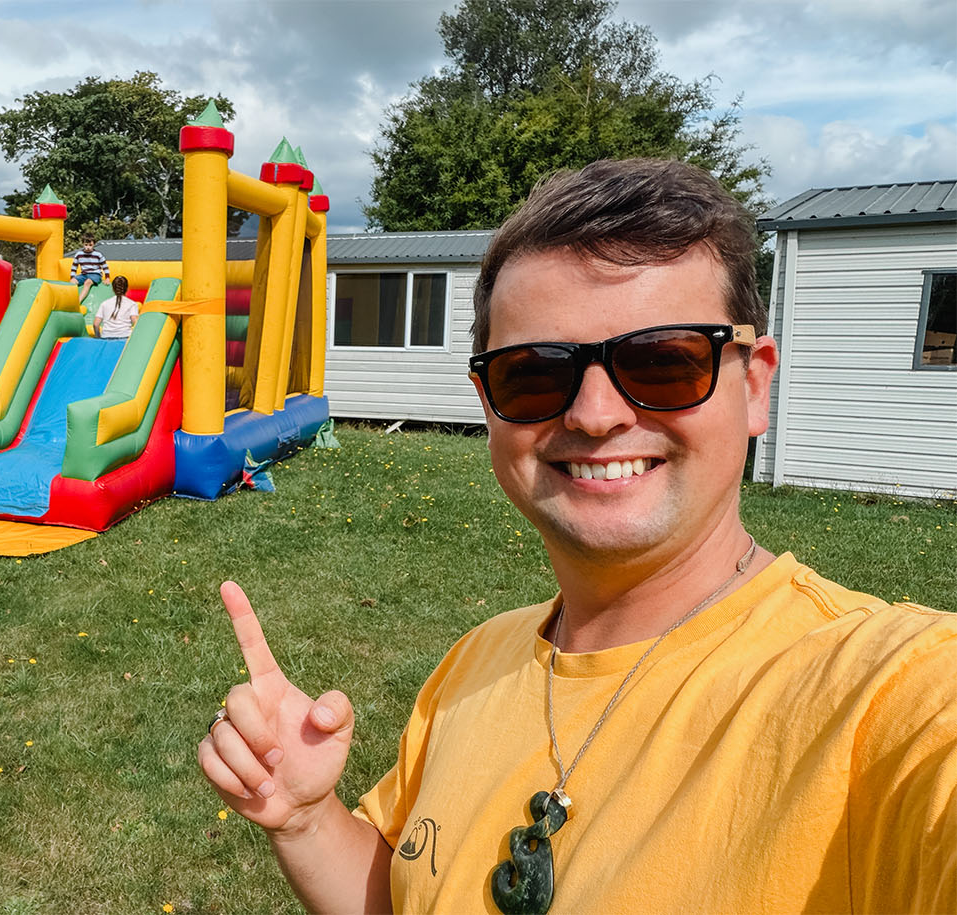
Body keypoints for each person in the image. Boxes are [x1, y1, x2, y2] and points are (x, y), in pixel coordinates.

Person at [198, 158, 957, 914]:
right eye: (533, 372)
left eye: (664, 361)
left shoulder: (887, 692)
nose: (595, 414)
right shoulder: (473, 664)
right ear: (489, 404)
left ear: (754, 384)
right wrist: (304, 817)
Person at [71, 234, 109, 303]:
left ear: (94, 244)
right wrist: (72, 277)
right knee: (72, 282)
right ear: (83, 244)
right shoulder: (79, 254)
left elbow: (105, 266)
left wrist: (107, 278)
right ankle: (69, 300)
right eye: (86, 245)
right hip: (84, 275)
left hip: (95, 274)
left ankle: (78, 302)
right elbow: (74, 267)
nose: (88, 247)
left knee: (88, 282)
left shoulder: (98, 254)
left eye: (90, 245)